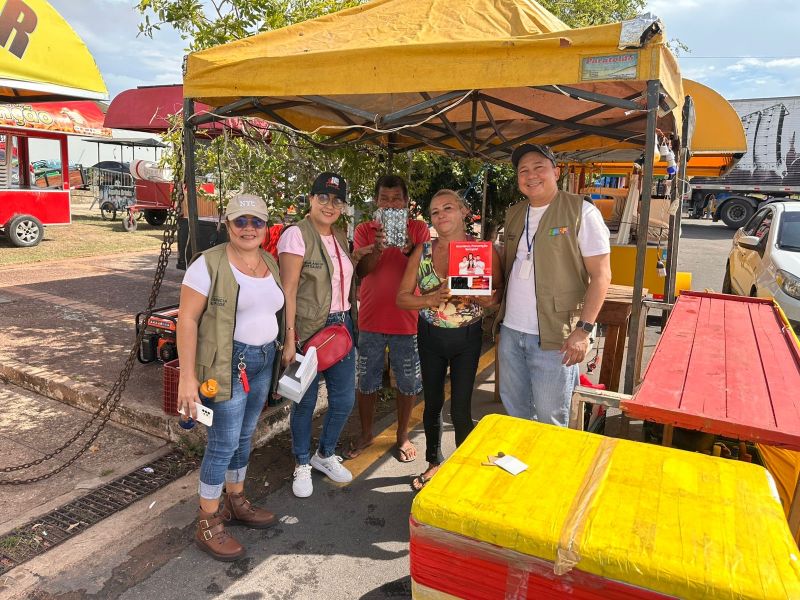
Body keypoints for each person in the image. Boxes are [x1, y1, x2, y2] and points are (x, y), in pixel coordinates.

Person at [176, 193, 285, 562]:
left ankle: (235, 500)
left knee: (244, 436)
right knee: (222, 443)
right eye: (241, 221)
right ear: (227, 224)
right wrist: (186, 378)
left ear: (265, 226)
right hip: (227, 363)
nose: (249, 228)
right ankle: (207, 520)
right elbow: (187, 320)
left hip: (262, 361)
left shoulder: (268, 261)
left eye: (256, 222)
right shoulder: (207, 265)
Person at [495, 144, 611, 426]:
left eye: (539, 168)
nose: (531, 175)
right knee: (516, 414)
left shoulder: (581, 211)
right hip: (511, 331)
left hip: (555, 336)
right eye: (523, 171)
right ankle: (522, 468)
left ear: (556, 172)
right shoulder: (515, 213)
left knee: (551, 417)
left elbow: (602, 276)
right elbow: (503, 262)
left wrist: (583, 331)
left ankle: (550, 470)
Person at [397, 189, 503, 490]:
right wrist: (429, 299)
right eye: (434, 211)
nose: (441, 215)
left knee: (460, 408)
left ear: (463, 212)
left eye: (448, 208)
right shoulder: (422, 252)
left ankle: (464, 470)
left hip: (467, 337)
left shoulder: (483, 250)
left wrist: (480, 299)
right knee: (432, 404)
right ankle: (434, 462)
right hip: (430, 335)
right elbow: (402, 298)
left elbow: (496, 297)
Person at [278, 172, 372, 498]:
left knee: (344, 398)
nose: (329, 205)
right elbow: (288, 291)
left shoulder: (340, 236)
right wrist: (290, 339)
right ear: (310, 199)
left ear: (343, 207)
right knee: (303, 403)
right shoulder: (296, 235)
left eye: (337, 200)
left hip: (342, 326)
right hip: (308, 330)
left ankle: (324, 453)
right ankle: (301, 461)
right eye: (323, 197)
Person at [346, 175, 430, 462]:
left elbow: (423, 274)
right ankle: (367, 432)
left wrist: (411, 250)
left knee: (407, 382)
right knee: (366, 380)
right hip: (370, 319)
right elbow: (362, 272)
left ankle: (402, 435)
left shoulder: (419, 229)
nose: (391, 204)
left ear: (406, 201)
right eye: (385, 198)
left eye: (397, 198)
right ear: (376, 202)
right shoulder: (364, 230)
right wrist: (378, 249)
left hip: (407, 320)